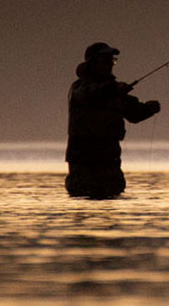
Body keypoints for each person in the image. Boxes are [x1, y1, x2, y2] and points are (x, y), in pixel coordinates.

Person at [65, 41, 161, 199]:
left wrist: (150, 108)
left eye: (112, 60)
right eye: (106, 60)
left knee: (112, 192)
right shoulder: (79, 87)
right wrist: (113, 89)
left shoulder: (113, 90)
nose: (110, 64)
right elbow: (89, 96)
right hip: (84, 159)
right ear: (92, 62)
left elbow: (134, 114)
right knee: (83, 193)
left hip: (109, 158)